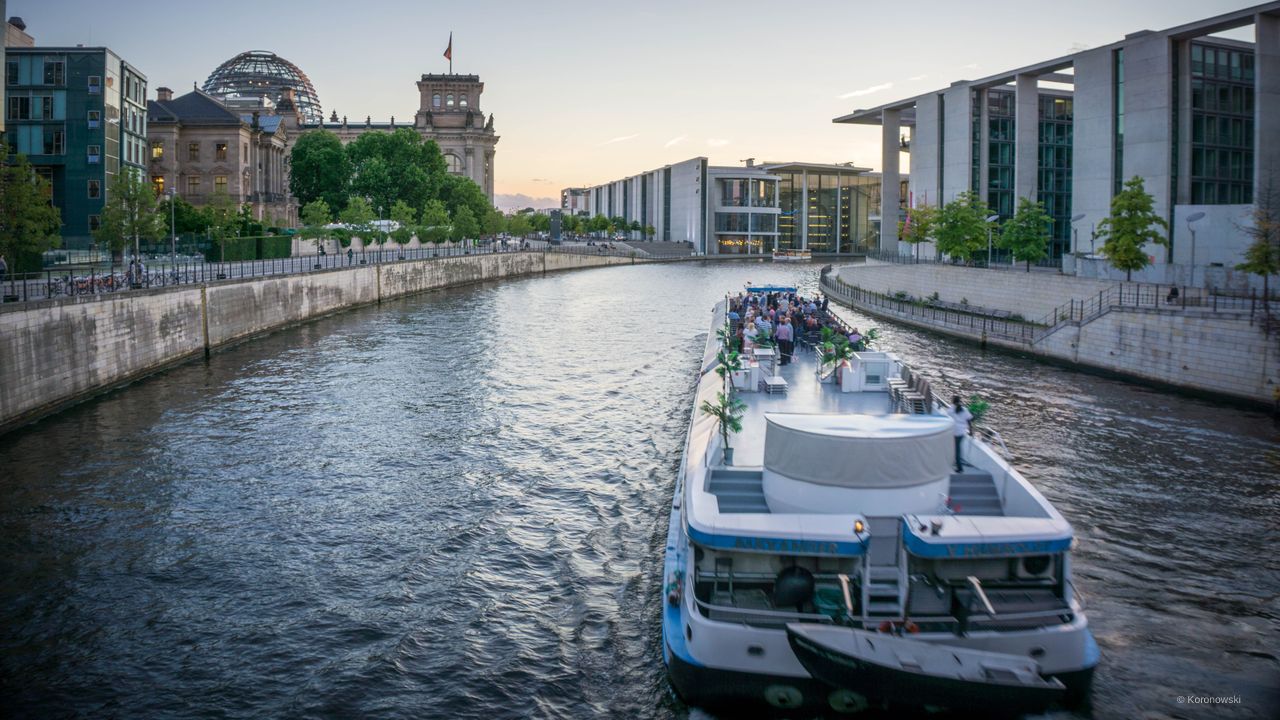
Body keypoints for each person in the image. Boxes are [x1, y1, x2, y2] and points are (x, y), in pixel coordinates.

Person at [948, 396, 974, 473]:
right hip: (962, 432)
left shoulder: (950, 410)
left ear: (953, 401)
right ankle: (956, 463)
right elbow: (969, 420)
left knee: (956, 450)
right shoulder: (964, 409)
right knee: (957, 449)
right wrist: (971, 431)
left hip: (954, 432)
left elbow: (947, 419)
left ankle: (959, 468)